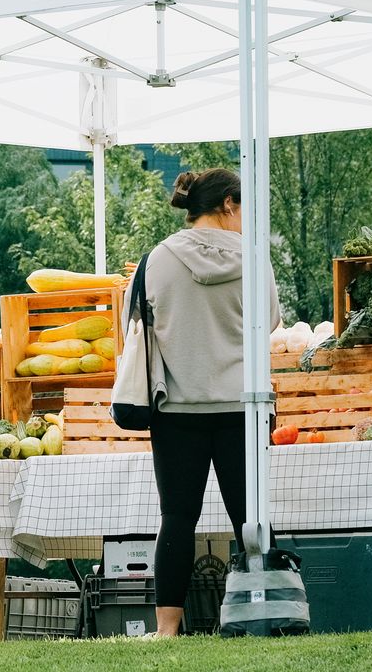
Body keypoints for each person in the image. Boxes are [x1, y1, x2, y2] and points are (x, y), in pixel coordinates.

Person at [142, 168, 281, 637]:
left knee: (177, 518)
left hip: (177, 407)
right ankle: (264, 612)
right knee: (250, 518)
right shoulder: (254, 259)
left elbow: (135, 324)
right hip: (243, 406)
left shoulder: (157, 260)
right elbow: (270, 322)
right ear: (228, 203)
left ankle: (166, 629)